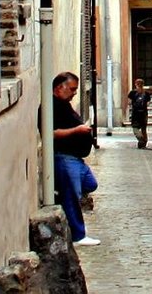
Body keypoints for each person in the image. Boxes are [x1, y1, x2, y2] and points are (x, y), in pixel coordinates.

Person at [52, 72, 100, 247]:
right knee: (72, 196)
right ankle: (78, 236)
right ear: (59, 88)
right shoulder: (51, 106)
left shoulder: (65, 105)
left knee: (90, 184)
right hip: (64, 157)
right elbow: (51, 134)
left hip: (76, 159)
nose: (74, 93)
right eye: (72, 89)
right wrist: (77, 131)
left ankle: (60, 193)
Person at [126, 78, 151, 149]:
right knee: (143, 129)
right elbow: (148, 103)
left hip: (135, 113)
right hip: (144, 113)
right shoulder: (146, 93)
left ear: (135, 84)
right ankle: (144, 143)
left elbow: (129, 102)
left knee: (135, 128)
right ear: (143, 85)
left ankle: (141, 140)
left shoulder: (132, 93)